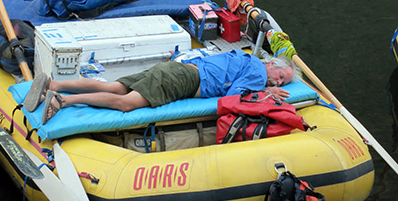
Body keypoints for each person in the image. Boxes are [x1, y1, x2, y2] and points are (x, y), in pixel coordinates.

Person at [24, 50, 300, 125]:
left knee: (114, 87)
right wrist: (264, 93)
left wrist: (265, 88)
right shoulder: (255, 72)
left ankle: (53, 82)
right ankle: (62, 100)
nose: (277, 82)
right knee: (126, 103)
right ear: (271, 63)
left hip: (174, 69)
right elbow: (232, 98)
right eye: (280, 76)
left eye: (282, 83)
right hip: (183, 81)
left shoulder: (245, 57)